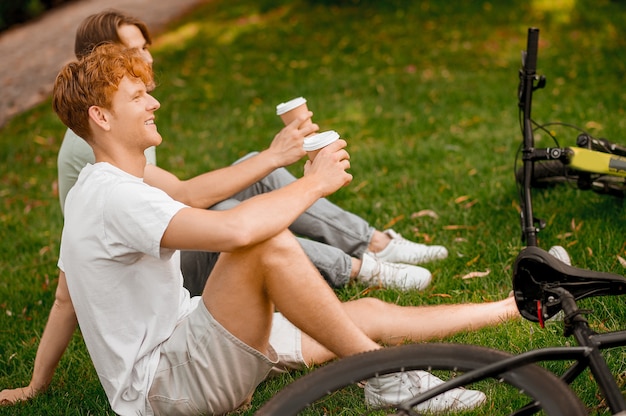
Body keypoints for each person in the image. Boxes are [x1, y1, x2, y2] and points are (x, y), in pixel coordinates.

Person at [0, 43, 520, 414]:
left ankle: (513, 306)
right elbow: (235, 235)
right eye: (137, 96)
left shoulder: (91, 190)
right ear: (101, 117)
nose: (155, 102)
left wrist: (34, 386)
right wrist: (312, 184)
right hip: (168, 386)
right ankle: (385, 380)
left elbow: (67, 297)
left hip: (191, 337)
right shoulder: (115, 196)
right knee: (264, 245)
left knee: (358, 315)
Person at [57, 10, 449, 295]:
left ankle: (375, 243)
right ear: (103, 63)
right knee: (233, 214)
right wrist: (278, 157)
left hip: (158, 234)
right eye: (134, 52)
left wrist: (269, 159)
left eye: (146, 48)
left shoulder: (119, 120)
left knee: (254, 171)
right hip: (151, 266)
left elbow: (173, 196)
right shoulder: (94, 134)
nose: (148, 59)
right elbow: (185, 196)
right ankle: (360, 269)